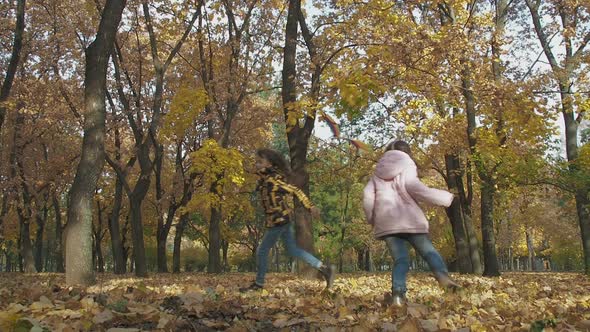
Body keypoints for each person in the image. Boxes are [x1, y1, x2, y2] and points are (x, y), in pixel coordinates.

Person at [362, 140, 461, 306]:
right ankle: (443, 278)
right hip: (411, 220)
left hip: (387, 224)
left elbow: (367, 196)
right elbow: (415, 187)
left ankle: (398, 296)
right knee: (429, 253)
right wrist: (444, 197)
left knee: (401, 260)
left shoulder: (377, 173)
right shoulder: (407, 164)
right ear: (406, 152)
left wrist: (371, 218)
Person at [240, 148, 336, 292]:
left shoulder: (274, 181)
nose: (257, 165)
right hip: (280, 221)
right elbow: (255, 174)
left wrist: (310, 207)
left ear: (270, 164)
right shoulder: (265, 179)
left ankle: (259, 284)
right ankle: (324, 268)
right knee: (294, 250)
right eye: (256, 162)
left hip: (278, 221)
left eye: (260, 162)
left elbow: (295, 190)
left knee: (262, 251)